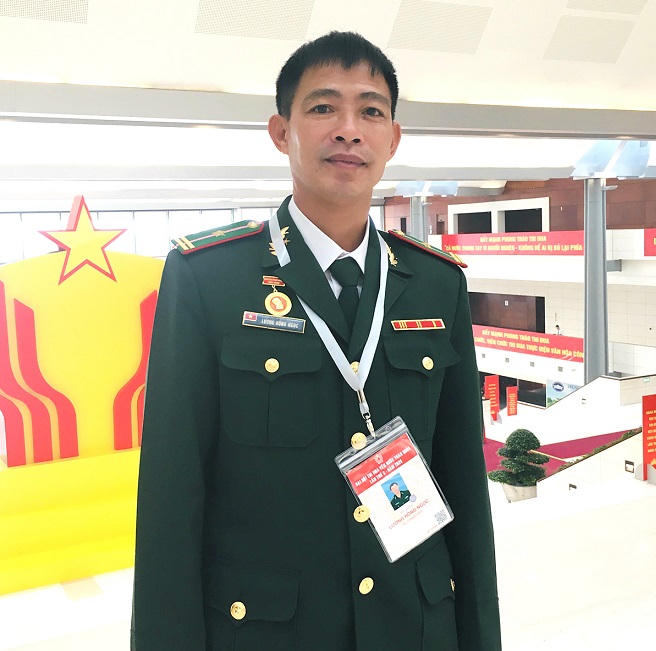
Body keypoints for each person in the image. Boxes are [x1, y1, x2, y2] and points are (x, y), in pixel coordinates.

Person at [131, 31, 501, 651]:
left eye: (371, 111)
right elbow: (171, 495)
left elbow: (464, 481)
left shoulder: (436, 284)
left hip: (414, 628)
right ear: (282, 132)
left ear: (393, 139)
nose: (349, 130)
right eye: (324, 107)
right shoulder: (209, 278)